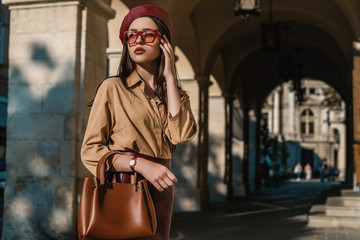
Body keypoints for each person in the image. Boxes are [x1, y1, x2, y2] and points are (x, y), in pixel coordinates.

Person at [80, 4, 198, 240]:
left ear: (163, 42)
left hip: (162, 188)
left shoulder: (174, 94)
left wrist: (170, 76)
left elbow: (181, 135)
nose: (137, 40)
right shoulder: (113, 88)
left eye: (147, 34)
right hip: (125, 183)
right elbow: (90, 151)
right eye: (131, 35)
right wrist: (139, 164)